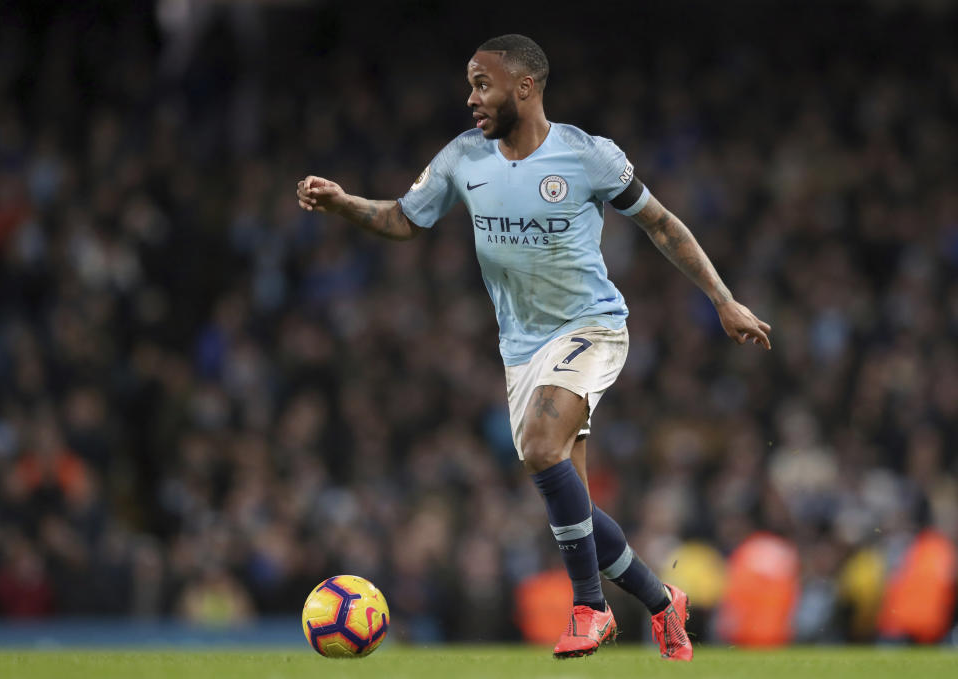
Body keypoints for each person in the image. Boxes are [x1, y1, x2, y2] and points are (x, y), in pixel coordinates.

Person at [296, 34, 771, 661]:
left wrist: (721, 298)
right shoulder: (463, 158)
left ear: (525, 87)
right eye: (470, 85)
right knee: (570, 506)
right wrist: (344, 203)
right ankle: (662, 601)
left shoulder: (587, 156)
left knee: (543, 449)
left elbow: (660, 223)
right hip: (521, 349)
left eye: (482, 84)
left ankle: (590, 609)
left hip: (591, 326)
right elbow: (406, 220)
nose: (471, 99)